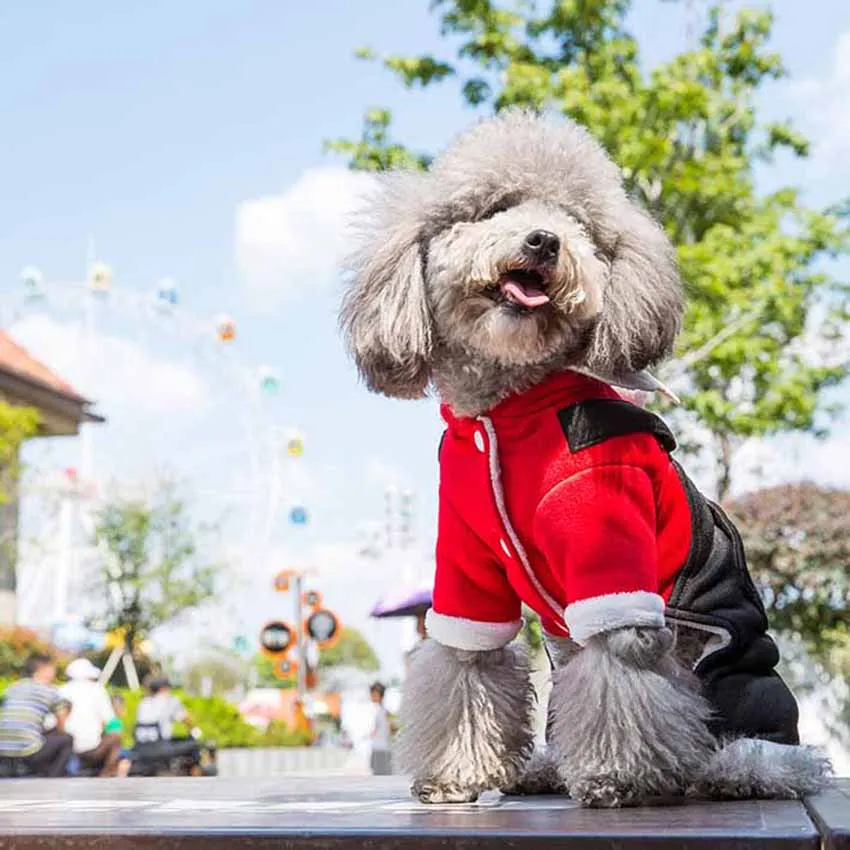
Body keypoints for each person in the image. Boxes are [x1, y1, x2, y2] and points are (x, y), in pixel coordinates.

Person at [0, 654, 73, 777]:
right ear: (45, 670)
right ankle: (53, 780)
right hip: (27, 752)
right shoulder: (49, 690)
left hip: (2, 750)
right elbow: (62, 724)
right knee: (66, 739)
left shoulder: (12, 688)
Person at [60, 658, 123, 777]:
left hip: (67, 747)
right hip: (92, 749)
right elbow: (110, 722)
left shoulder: (61, 690)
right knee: (115, 737)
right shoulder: (97, 689)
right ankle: (107, 773)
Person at [134, 677, 192, 744]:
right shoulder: (170, 700)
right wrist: (195, 732)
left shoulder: (143, 702)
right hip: (160, 745)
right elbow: (186, 719)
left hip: (140, 746)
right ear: (163, 689)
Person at [368, 681, 393, 776]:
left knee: (380, 777)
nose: (372, 696)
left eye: (374, 694)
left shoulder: (383, 711)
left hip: (382, 748)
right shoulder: (381, 710)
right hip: (379, 747)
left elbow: (390, 729)